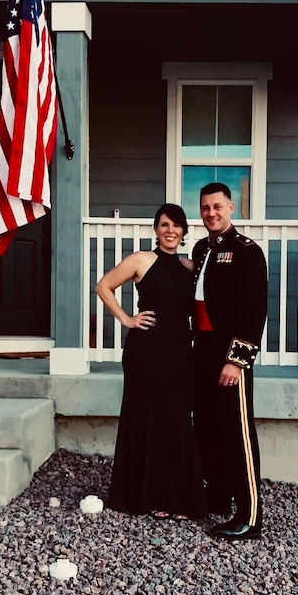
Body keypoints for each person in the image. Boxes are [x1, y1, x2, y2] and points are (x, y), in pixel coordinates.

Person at [95, 203, 207, 522]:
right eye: (164, 224)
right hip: (146, 352)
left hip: (180, 353)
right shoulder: (141, 259)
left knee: (176, 421)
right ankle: (145, 496)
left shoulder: (190, 267)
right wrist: (127, 319)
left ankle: (178, 498)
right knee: (147, 419)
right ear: (156, 230)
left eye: (176, 225)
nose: (170, 230)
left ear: (184, 231)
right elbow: (103, 286)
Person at [192, 182, 268, 540]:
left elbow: (254, 313)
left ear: (231, 208)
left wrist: (237, 361)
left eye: (217, 207)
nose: (211, 213)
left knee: (238, 433)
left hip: (228, 355)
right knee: (208, 428)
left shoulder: (247, 252)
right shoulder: (200, 248)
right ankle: (219, 496)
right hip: (202, 350)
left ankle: (251, 516)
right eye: (206, 208)